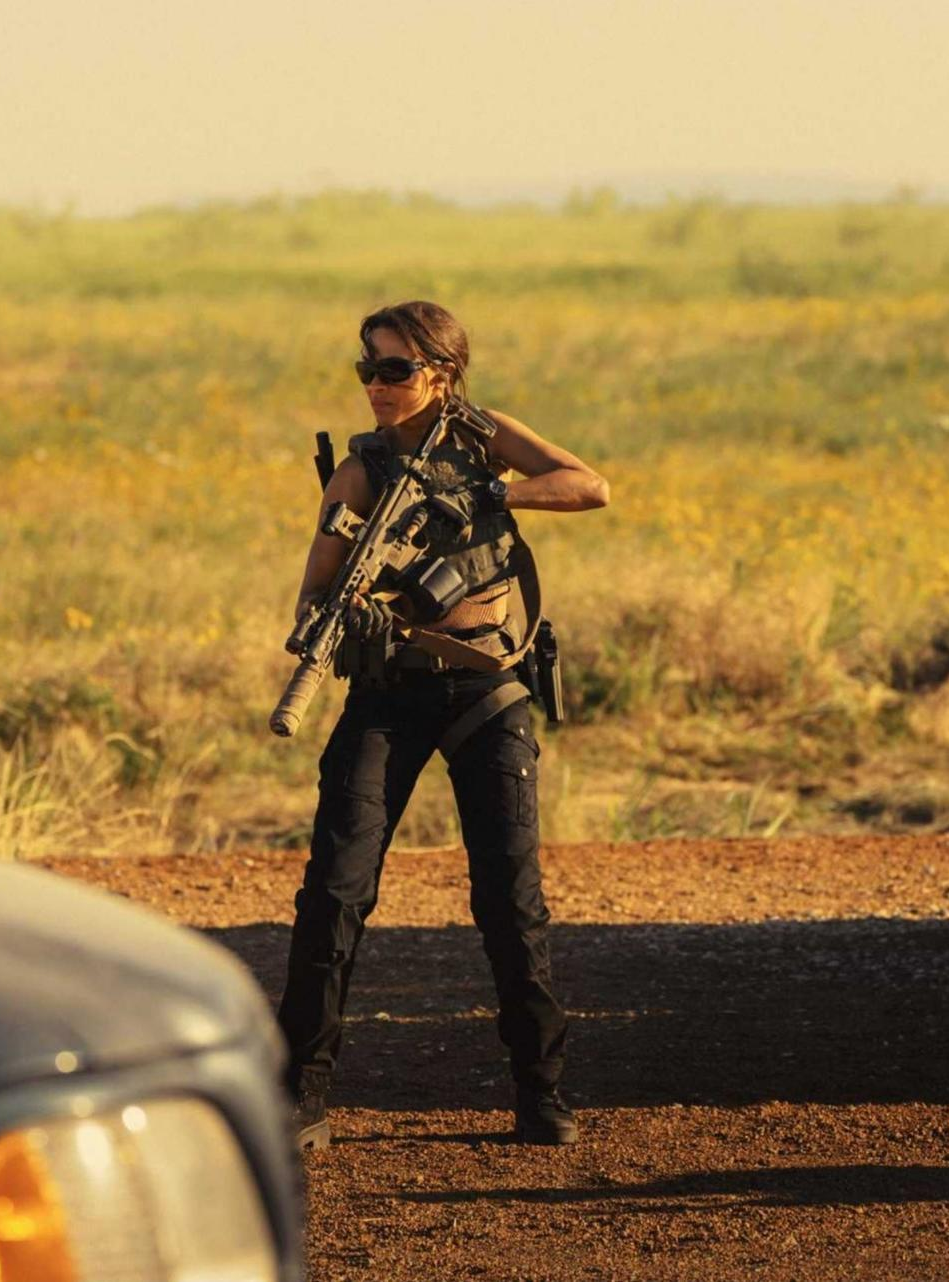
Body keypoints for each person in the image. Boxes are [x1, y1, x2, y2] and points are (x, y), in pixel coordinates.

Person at [276, 300, 610, 1149]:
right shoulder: (360, 474)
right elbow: (312, 592)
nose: (377, 385)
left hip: (487, 691)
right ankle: (302, 1096)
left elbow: (589, 486)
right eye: (368, 369)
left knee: (509, 897)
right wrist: (347, 617)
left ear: (443, 371)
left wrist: (493, 491)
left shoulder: (484, 436)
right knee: (335, 892)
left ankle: (541, 1093)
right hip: (387, 694)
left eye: (395, 369)